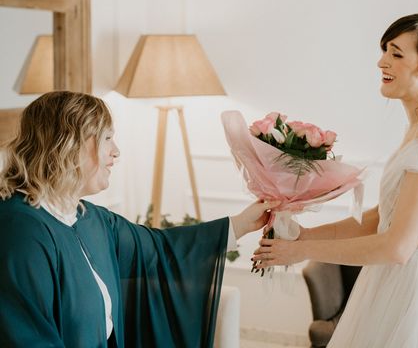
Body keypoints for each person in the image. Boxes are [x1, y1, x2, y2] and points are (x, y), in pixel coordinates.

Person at [252, 11, 418, 347]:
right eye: (385, 50)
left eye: (396, 54)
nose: (381, 62)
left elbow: (399, 246)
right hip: (397, 281)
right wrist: (302, 238)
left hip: (416, 295)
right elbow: (381, 218)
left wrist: (301, 253)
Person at [0, 90, 279, 347]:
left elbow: (159, 248)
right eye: (106, 138)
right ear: (68, 144)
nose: (116, 151)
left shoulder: (91, 218)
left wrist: (242, 223)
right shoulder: (21, 231)